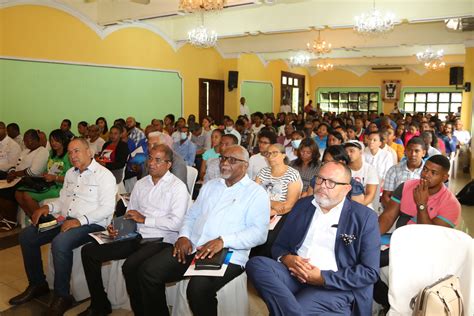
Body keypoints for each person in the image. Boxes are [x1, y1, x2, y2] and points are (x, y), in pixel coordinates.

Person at [136, 145, 270, 316]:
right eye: (223, 158)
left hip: (228, 254)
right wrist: (184, 236)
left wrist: (223, 241)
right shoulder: (211, 186)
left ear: (245, 165)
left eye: (232, 160)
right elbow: (191, 216)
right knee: (148, 271)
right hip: (193, 246)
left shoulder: (256, 193)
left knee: (197, 290)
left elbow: (259, 233)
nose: (225, 163)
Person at [247, 161, 380, 316]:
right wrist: (286, 258)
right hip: (294, 274)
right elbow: (279, 245)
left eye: (331, 182)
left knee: (300, 307)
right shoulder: (302, 205)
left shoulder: (364, 217)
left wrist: (322, 278)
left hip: (334, 284)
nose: (322, 185)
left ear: (346, 189)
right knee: (256, 264)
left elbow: (370, 272)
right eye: (320, 179)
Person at [8, 138, 116, 315]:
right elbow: (63, 200)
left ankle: (62, 295)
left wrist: (78, 221)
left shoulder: (104, 175)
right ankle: (38, 283)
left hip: (92, 224)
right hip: (66, 220)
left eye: (77, 151)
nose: (73, 156)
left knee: (61, 242)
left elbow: (107, 209)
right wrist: (47, 207)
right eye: (70, 152)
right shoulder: (70, 174)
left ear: (89, 152)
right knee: (27, 236)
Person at [79, 145, 190, 316]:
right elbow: (131, 213)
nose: (151, 163)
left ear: (169, 164)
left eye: (157, 160)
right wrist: (117, 227)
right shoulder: (141, 184)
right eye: (150, 158)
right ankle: (100, 304)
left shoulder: (177, 187)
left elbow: (176, 223)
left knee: (131, 266)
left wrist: (145, 219)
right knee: (89, 251)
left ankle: (144, 312)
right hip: (135, 235)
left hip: (160, 240)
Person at [252, 144, 302, 257]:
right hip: (260, 210)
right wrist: (272, 203)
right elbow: (253, 196)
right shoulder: (262, 172)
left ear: (283, 155)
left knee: (268, 238)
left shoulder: (292, 174)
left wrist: (269, 212)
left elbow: (289, 205)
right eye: (268, 154)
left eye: (275, 153)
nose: (270, 156)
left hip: (281, 214)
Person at [15, 129, 72, 217]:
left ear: (63, 141)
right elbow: (47, 169)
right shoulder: (51, 153)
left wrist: (54, 178)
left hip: (60, 187)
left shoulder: (67, 156)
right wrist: (44, 174)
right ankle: (33, 218)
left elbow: (71, 178)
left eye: (57, 141)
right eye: (52, 141)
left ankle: (42, 221)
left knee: (27, 196)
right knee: (18, 194)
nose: (54, 143)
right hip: (48, 183)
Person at [0, 129, 49, 230]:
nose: (25, 143)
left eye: (27, 140)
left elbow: (34, 172)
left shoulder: (42, 151)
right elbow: (17, 165)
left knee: (7, 191)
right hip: (18, 178)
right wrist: (12, 172)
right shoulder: (26, 151)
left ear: (35, 140)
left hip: (31, 180)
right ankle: (5, 217)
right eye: (25, 141)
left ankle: (11, 220)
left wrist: (15, 174)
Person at [381, 137, 426, 209]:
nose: (413, 154)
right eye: (410, 150)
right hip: (396, 211)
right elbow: (386, 196)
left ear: (423, 153)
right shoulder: (394, 170)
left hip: (419, 212)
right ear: (405, 151)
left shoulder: (428, 173)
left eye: (417, 151)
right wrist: (395, 212)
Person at [344, 140, 379, 208]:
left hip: (364, 205)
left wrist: (357, 208)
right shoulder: (342, 168)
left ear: (360, 152)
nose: (348, 154)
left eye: (351, 151)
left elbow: (370, 195)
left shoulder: (370, 169)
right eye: (346, 152)